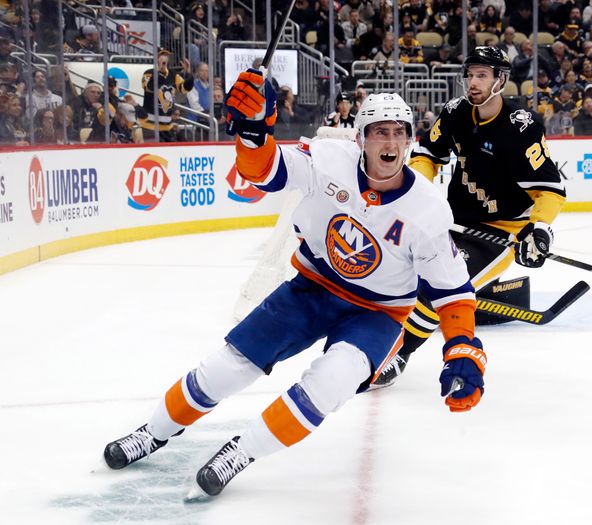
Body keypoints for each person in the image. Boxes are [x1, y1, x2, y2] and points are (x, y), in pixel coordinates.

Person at [102, 73, 485, 497]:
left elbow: (453, 293)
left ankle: (241, 452)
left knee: (331, 383)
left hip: (377, 315)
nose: (389, 142)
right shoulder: (327, 159)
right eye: (379, 132)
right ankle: (153, 432)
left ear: (410, 140)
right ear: (360, 139)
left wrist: (463, 349)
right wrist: (252, 136)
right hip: (313, 286)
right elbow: (266, 172)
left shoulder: (428, 209)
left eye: (398, 133)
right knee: (226, 368)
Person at [371, 47, 565, 387]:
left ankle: (399, 355)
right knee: (398, 271)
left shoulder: (521, 128)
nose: (472, 82)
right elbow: (427, 155)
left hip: (500, 232)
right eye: (470, 74)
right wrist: (419, 189)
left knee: (439, 288)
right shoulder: (455, 111)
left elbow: (549, 189)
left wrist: (539, 230)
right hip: (452, 220)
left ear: (500, 81)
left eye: (482, 75)